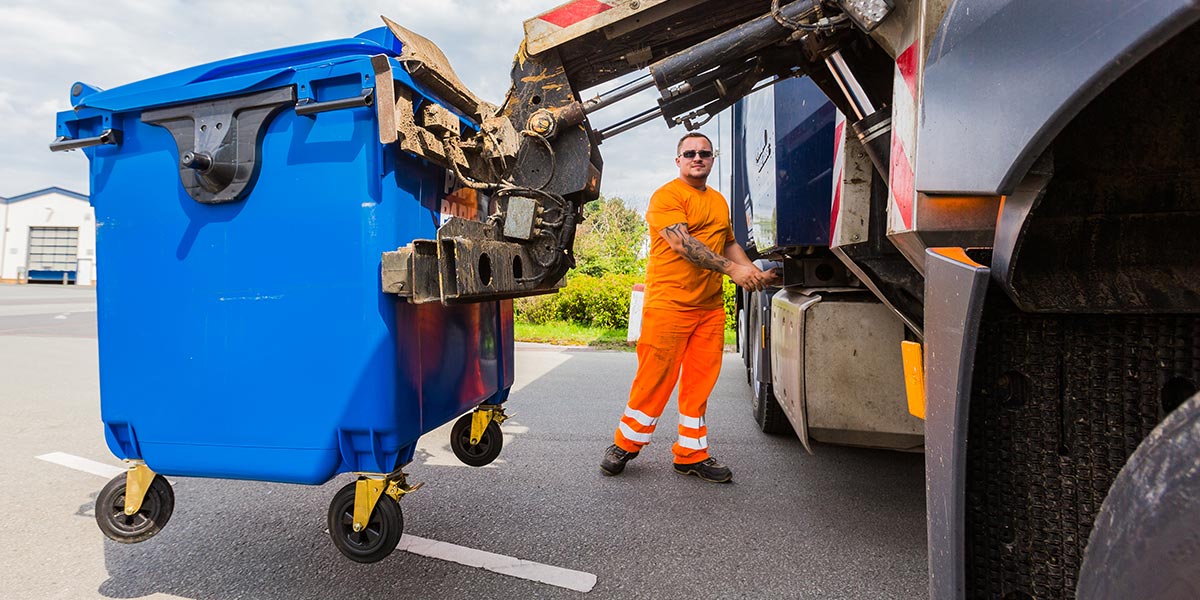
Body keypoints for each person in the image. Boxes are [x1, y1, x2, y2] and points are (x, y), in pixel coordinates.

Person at [600, 132, 779, 483]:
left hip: (708, 309)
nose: (697, 158)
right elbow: (684, 244)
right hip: (669, 305)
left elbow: (728, 243)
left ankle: (691, 454)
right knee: (654, 380)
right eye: (690, 153)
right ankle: (625, 445)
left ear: (713, 159)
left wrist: (752, 274)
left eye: (704, 153)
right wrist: (734, 271)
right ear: (678, 160)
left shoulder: (718, 201)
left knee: (699, 385)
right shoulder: (667, 196)